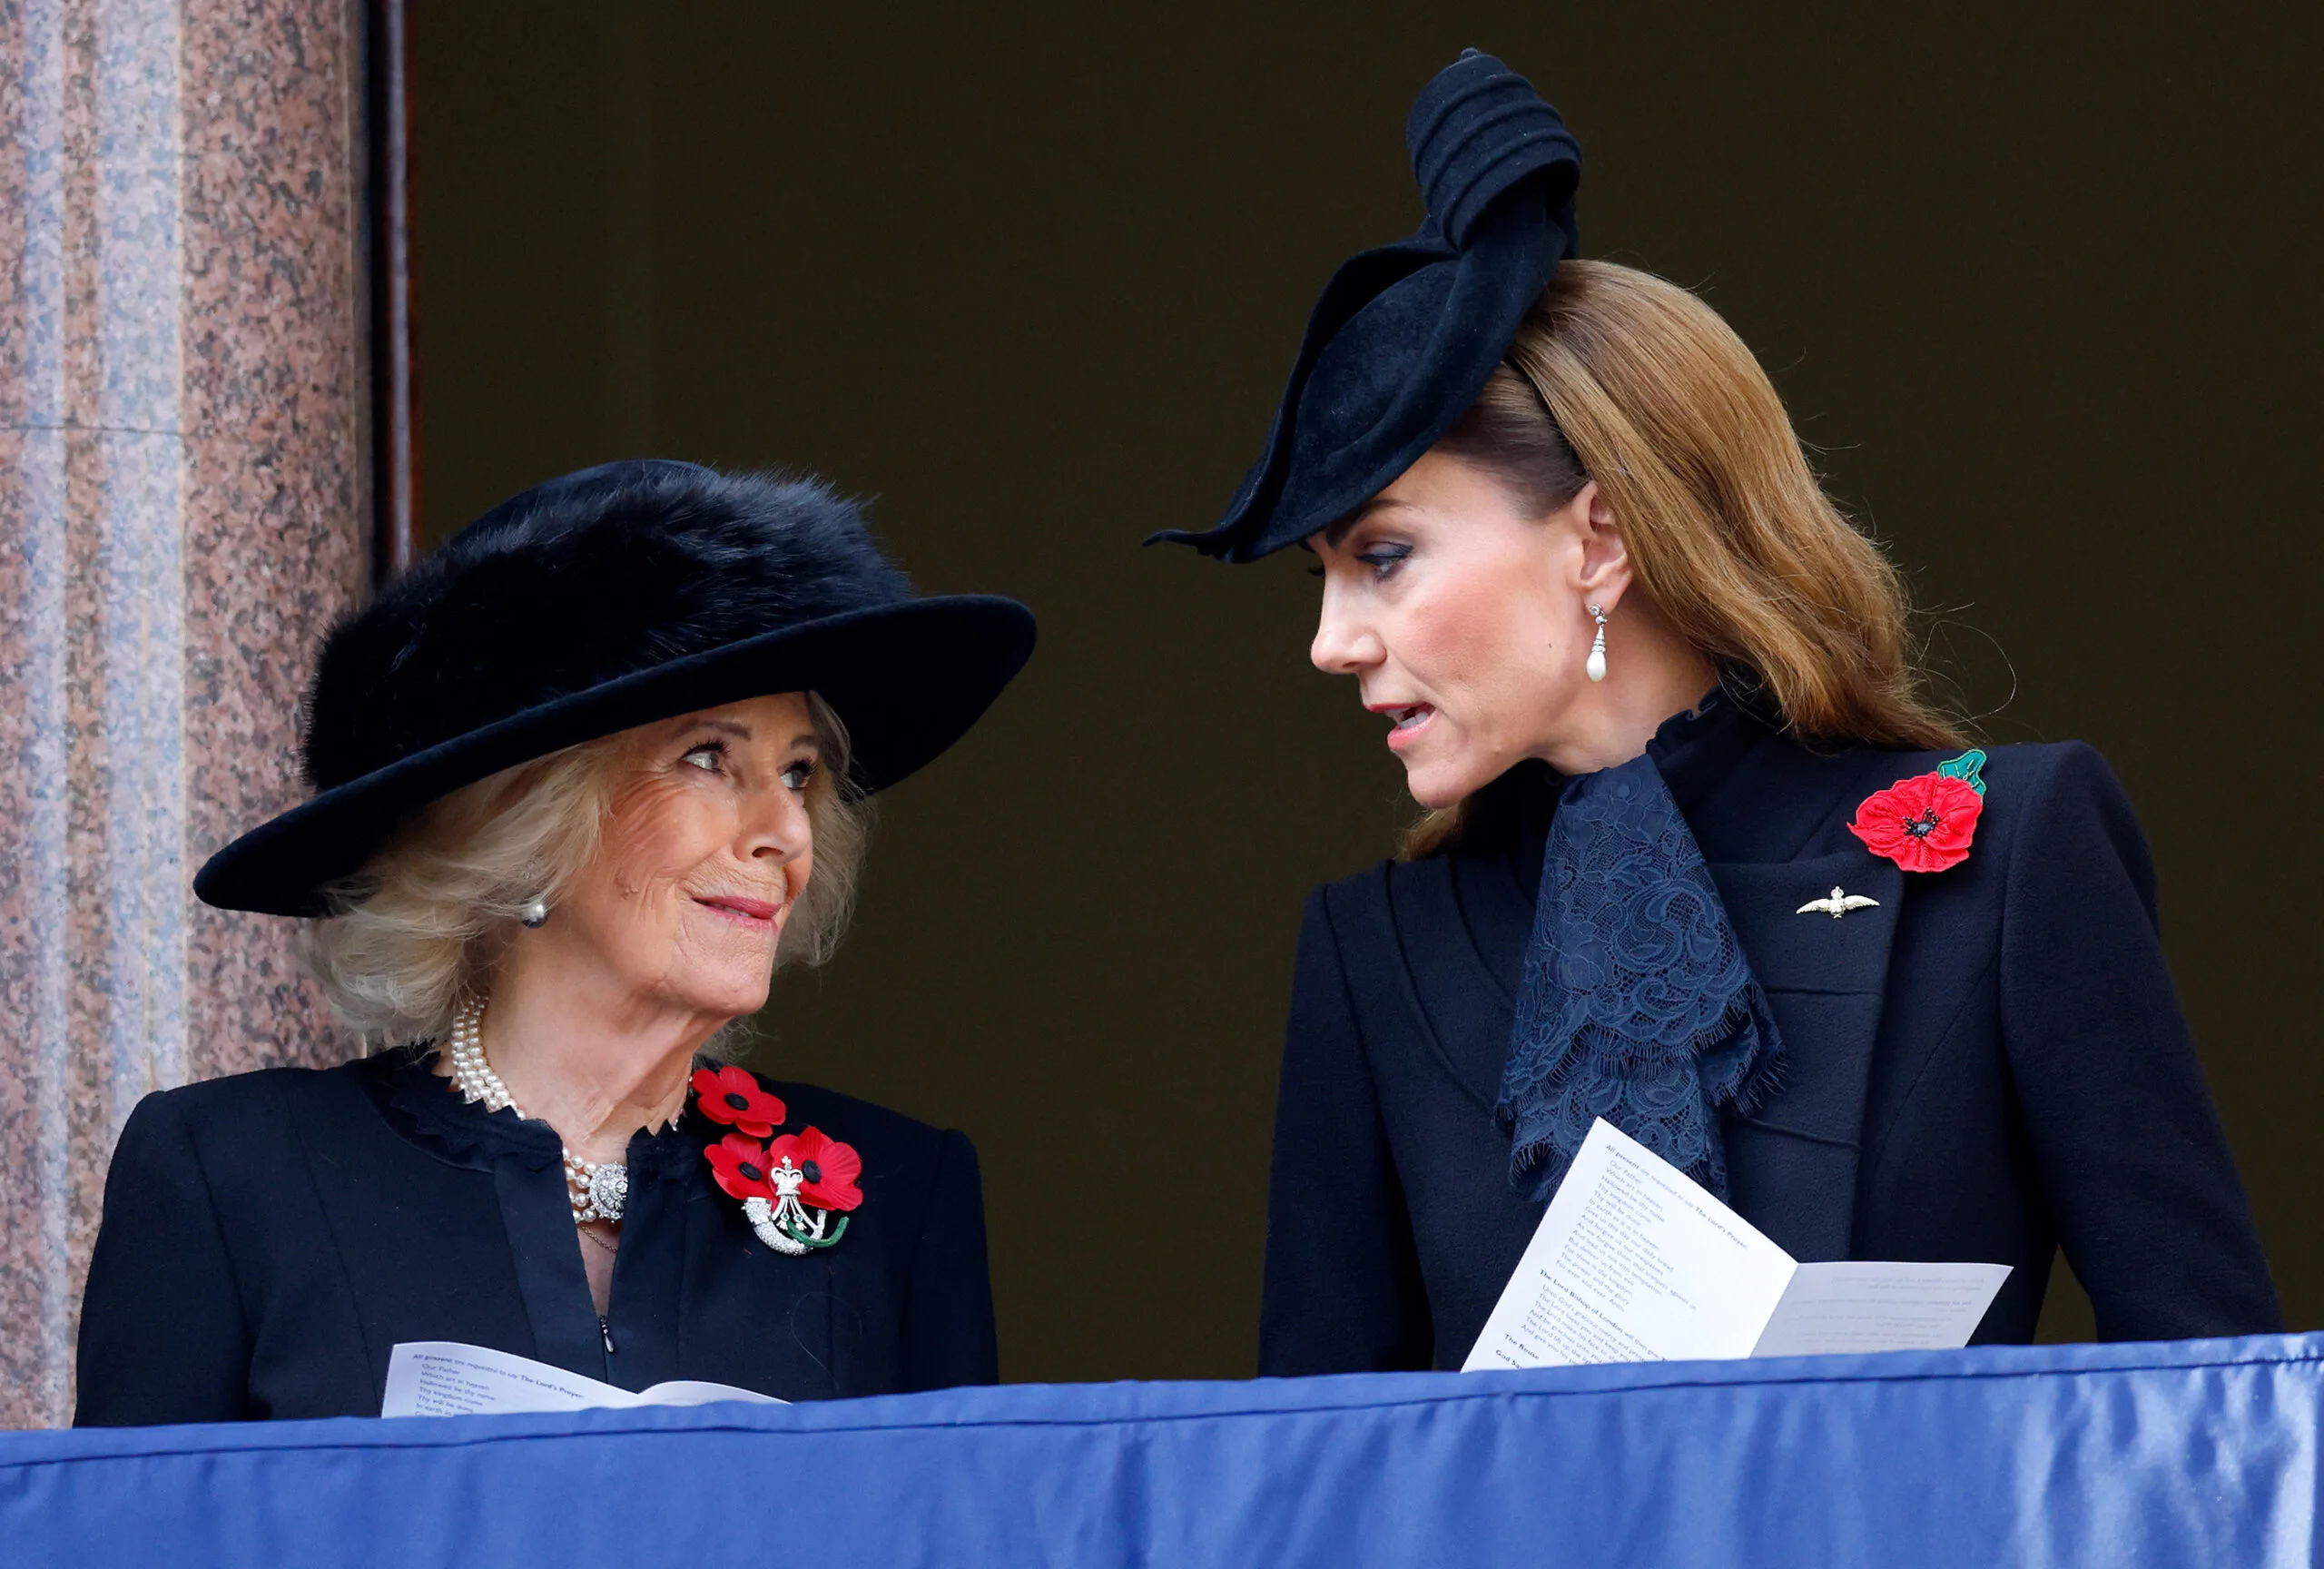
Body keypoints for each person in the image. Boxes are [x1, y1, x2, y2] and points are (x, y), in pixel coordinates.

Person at [1152, 52, 2280, 1374]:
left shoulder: (2015, 850)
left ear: (1602, 537)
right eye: (1323, 577)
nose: (1332, 642)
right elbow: (1327, 1486)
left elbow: (2219, 1411)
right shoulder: (1372, 950)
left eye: (1383, 556)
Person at [76, 460, 1036, 1423]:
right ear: (524, 825)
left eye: (797, 773)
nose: (784, 833)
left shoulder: (898, 1199)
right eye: (709, 758)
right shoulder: (234, 1174)